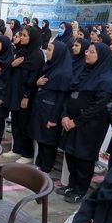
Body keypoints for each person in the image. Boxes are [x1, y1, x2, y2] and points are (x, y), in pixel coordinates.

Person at [58, 43, 112, 203]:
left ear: (101, 57)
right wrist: (65, 115)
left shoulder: (105, 79)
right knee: (70, 154)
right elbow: (69, 96)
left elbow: (97, 107)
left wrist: (76, 121)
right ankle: (71, 184)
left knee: (83, 158)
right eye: (87, 50)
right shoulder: (82, 71)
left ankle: (80, 190)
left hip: (90, 126)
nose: (87, 54)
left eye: (91, 52)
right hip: (71, 122)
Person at [29, 40, 72, 173]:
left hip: (51, 112)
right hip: (42, 108)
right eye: (47, 49)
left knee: (48, 142)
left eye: (50, 49)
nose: (47, 52)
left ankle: (46, 168)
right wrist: (38, 83)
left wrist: (54, 119)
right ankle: (39, 164)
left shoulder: (63, 73)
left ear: (58, 53)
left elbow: (61, 98)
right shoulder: (49, 66)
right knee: (41, 140)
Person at [4, 26, 45, 163]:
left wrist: (27, 96)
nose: (21, 37)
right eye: (21, 35)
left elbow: (34, 78)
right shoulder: (21, 52)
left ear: (32, 38)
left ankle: (27, 153)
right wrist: (13, 64)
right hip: (16, 92)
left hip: (26, 95)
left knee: (24, 124)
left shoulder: (37, 56)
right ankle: (16, 149)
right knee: (15, 121)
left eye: (24, 35)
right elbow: (11, 69)